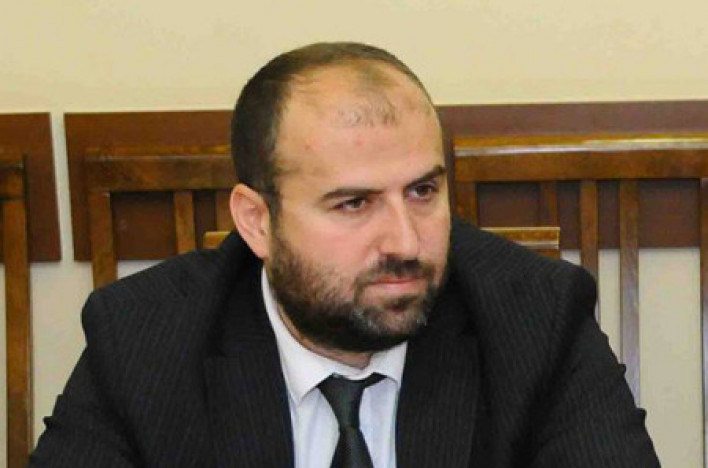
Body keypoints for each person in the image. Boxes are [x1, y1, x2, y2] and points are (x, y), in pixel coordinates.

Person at [29, 42, 660, 467]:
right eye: (354, 203)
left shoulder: (537, 319)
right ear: (257, 222)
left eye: (423, 192)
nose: (406, 243)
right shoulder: (143, 338)